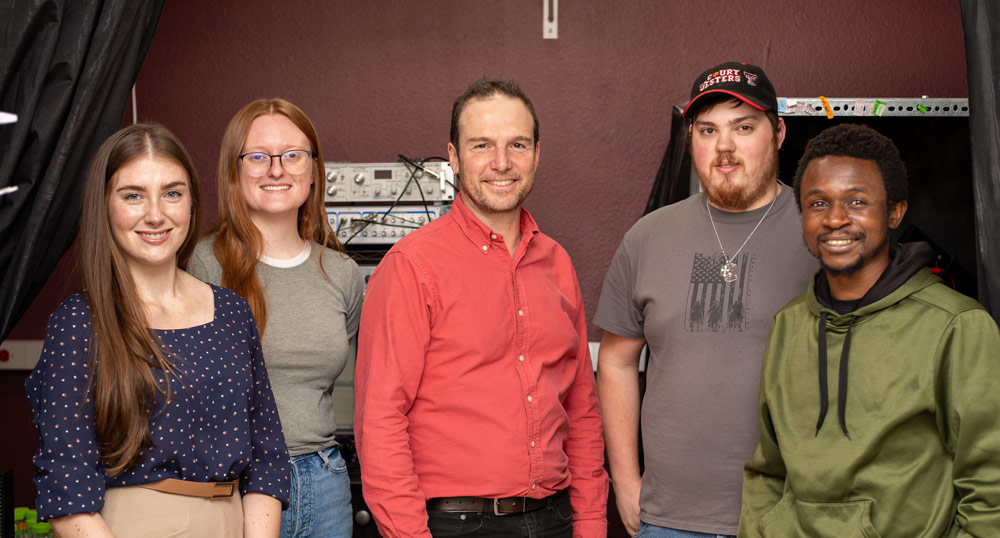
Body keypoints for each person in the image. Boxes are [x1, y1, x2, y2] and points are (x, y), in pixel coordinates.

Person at [354, 78, 608, 538]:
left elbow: (582, 410)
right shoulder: (412, 266)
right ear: (453, 157)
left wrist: (591, 526)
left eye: (517, 144)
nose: (501, 163)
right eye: (481, 145)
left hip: (556, 519)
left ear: (536, 154)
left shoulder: (558, 263)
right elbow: (380, 421)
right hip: (454, 525)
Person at [26, 123, 290, 538]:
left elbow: (269, 459)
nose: (155, 214)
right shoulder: (79, 323)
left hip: (234, 520)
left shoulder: (232, 314)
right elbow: (67, 489)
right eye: (133, 195)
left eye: (172, 193)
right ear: (105, 206)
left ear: (191, 203)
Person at [738, 124, 1000, 537]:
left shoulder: (956, 326)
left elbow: (991, 485)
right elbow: (768, 471)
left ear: (894, 211)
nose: (836, 219)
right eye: (818, 203)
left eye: (857, 201)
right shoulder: (789, 324)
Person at [592, 62, 817, 537]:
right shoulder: (647, 237)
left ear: (777, 132)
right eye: (708, 130)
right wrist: (626, 482)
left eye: (744, 127)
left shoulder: (820, 234)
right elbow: (615, 361)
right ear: (691, 137)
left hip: (791, 516)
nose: (725, 147)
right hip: (668, 520)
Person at [187, 98, 364, 538]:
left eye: (292, 155)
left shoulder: (341, 273)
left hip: (326, 482)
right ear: (235, 169)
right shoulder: (204, 267)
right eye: (259, 156)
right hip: (234, 485)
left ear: (313, 168)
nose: (277, 169)